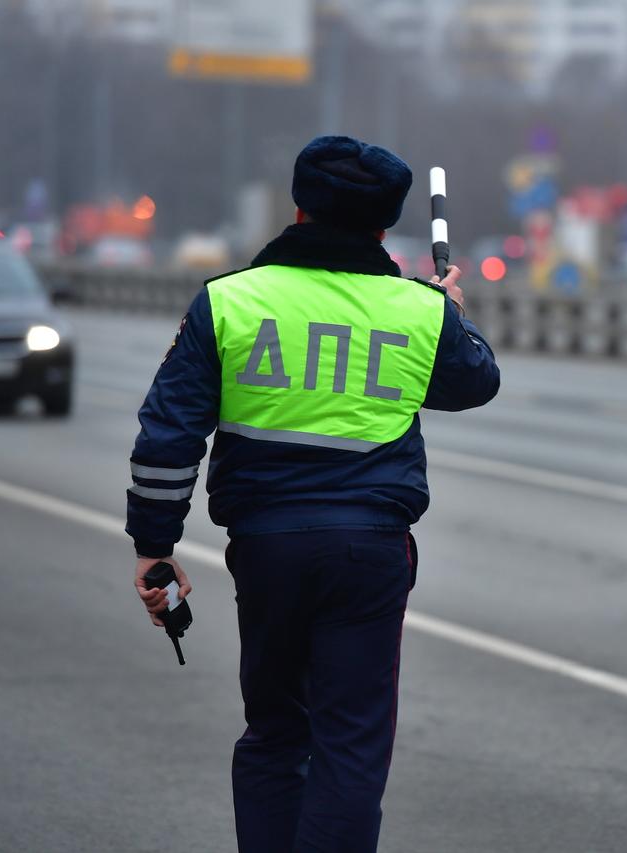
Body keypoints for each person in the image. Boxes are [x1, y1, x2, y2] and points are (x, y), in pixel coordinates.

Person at [126, 135, 500, 852]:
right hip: (370, 556)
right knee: (349, 750)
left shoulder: (228, 302)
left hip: (266, 552)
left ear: (297, 207)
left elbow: (167, 437)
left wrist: (155, 546)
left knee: (274, 733)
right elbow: (475, 380)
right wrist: (451, 312)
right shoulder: (417, 311)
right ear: (384, 226)